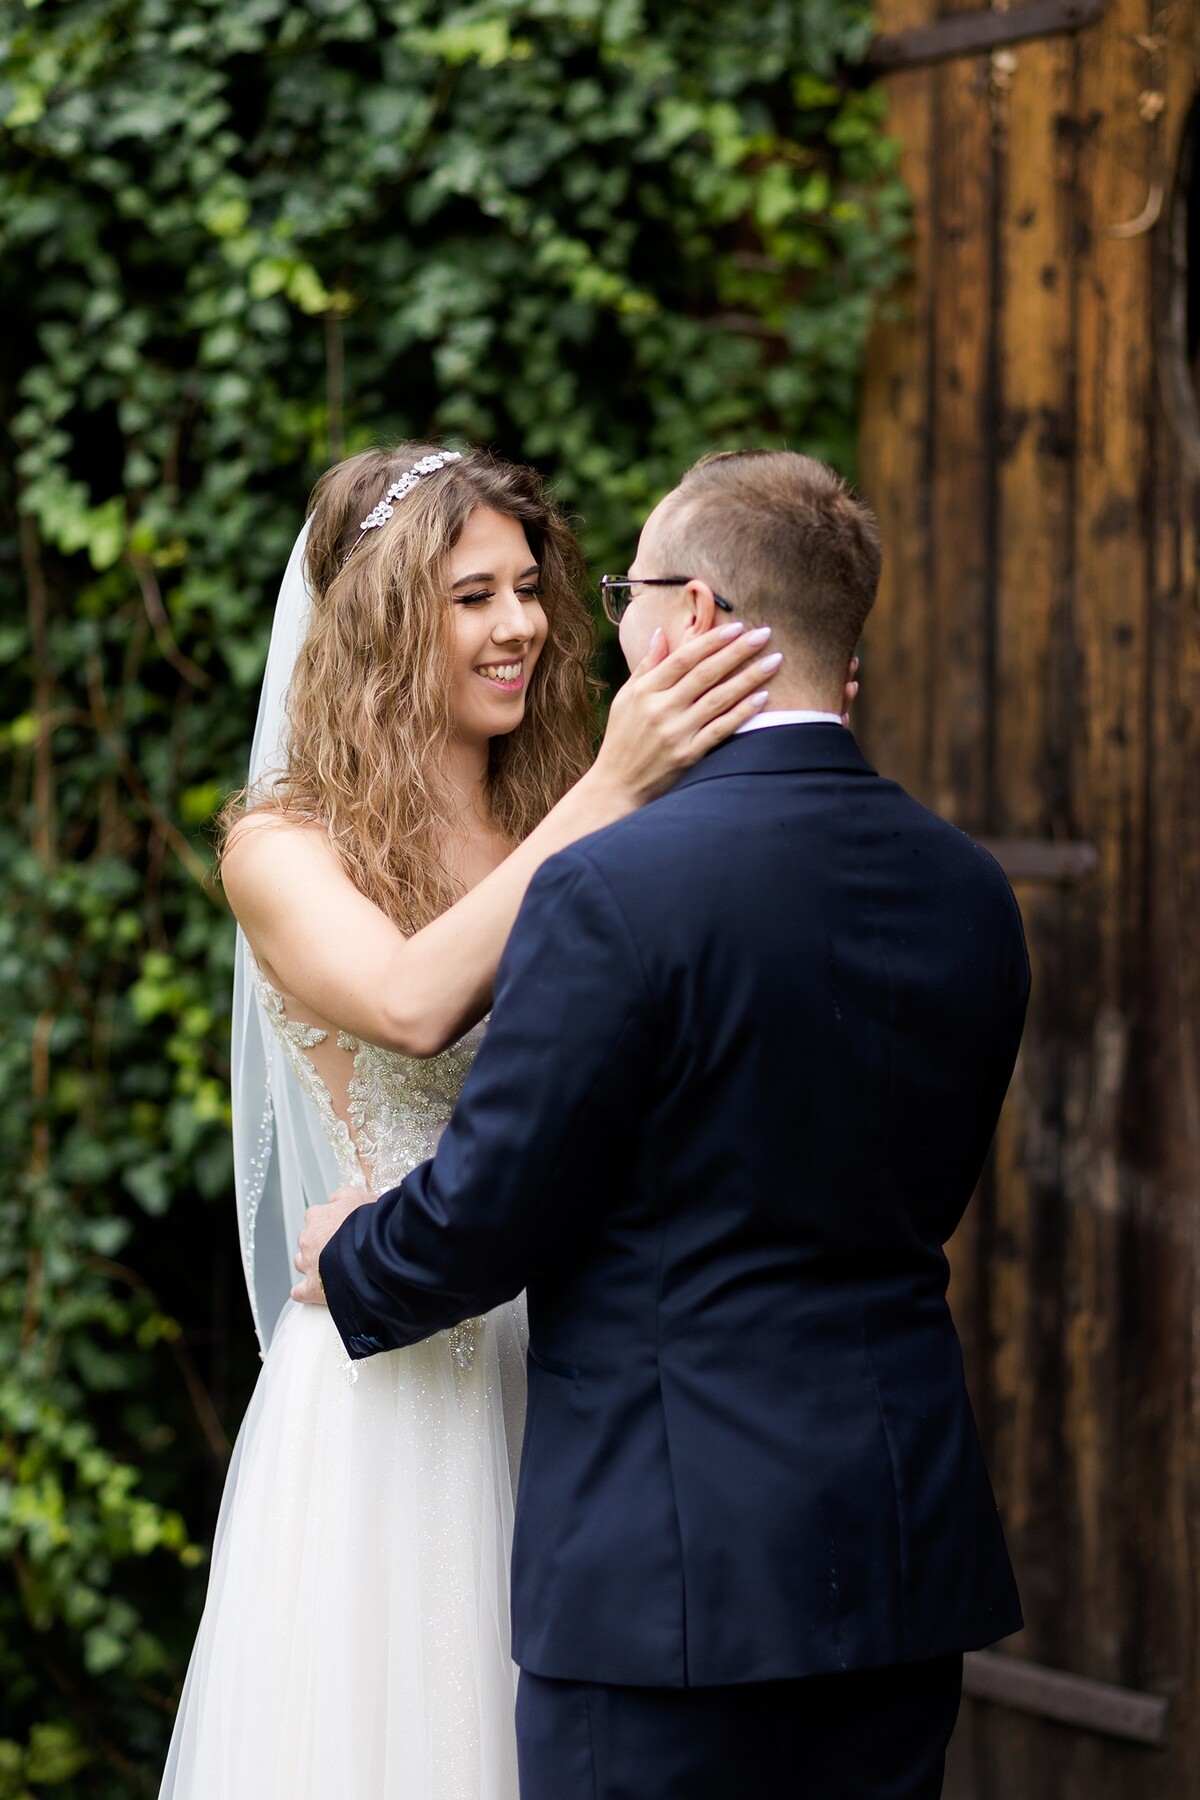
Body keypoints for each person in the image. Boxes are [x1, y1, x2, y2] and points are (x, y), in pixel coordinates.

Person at [298, 449, 1030, 1800]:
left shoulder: (612, 886)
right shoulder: (971, 890)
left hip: (669, 1577)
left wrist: (350, 1258)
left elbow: (487, 1211)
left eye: (621, 587)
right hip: (899, 1552)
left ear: (692, 618)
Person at [159, 443, 815, 1800]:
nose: (520, 625)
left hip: (569, 1363)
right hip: (386, 1383)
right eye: (471, 597)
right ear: (387, 619)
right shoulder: (281, 848)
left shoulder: (547, 797)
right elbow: (407, 1002)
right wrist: (619, 789)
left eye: (529, 588)